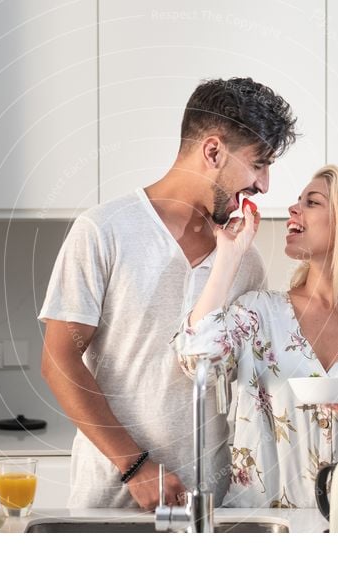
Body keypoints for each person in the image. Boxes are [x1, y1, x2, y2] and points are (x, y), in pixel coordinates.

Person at [39, 78, 298, 509]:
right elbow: (59, 361)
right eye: (259, 164)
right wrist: (135, 467)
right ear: (213, 151)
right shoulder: (104, 231)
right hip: (112, 501)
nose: (265, 185)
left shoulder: (244, 260)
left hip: (209, 505)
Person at [173, 165, 338, 508]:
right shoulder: (259, 314)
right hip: (264, 528)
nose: (293, 209)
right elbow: (195, 358)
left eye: (312, 202)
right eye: (297, 201)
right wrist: (228, 258)